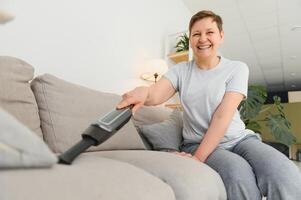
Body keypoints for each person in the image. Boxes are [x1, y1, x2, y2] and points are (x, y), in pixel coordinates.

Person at [117, 10, 301, 200]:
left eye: (209, 32)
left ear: (221, 36)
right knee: (238, 175)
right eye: (196, 34)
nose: (202, 39)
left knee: (285, 172)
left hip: (240, 140)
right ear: (191, 40)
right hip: (198, 143)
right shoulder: (180, 71)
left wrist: (198, 159)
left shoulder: (236, 68)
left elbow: (223, 115)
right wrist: (143, 92)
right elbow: (155, 94)